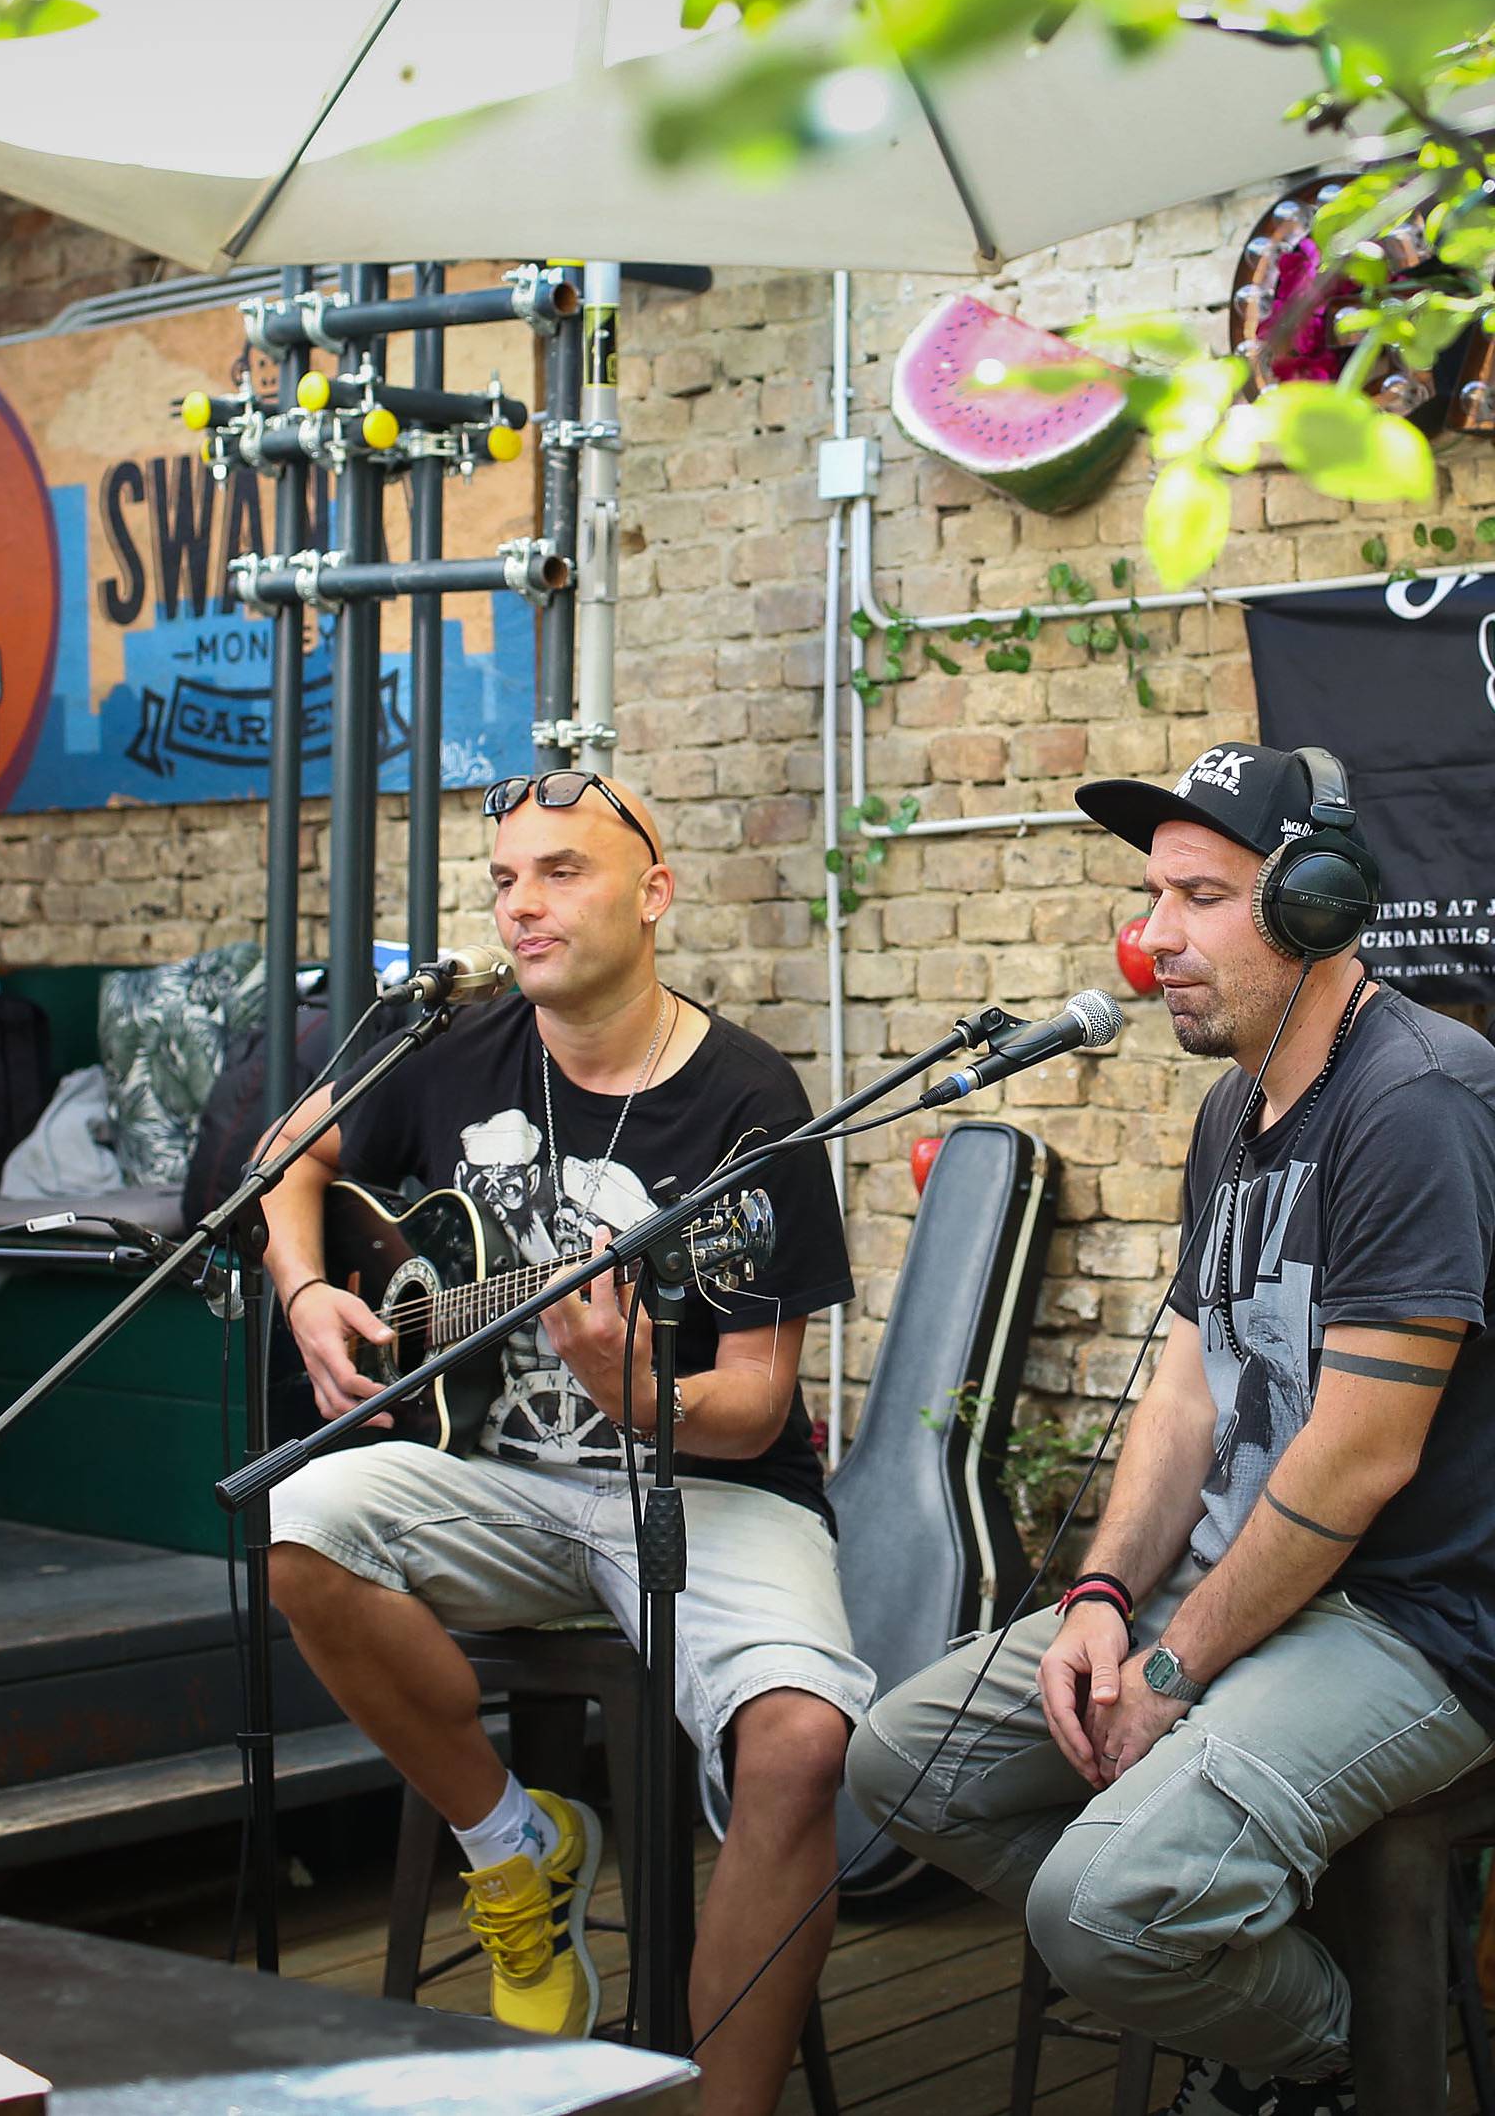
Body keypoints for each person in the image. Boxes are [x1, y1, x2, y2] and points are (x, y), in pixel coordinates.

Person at [843, 739, 1495, 2116]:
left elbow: (1362, 1453)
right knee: (908, 1759)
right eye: (1153, 896)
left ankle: (1348, 2048)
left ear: (1315, 903)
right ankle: (1279, 2001)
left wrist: (1174, 1664)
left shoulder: (1418, 1101)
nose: (1153, 939)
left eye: (1199, 896)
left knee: (1101, 1902)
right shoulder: (1230, 1112)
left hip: (1410, 1621)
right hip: (1237, 1589)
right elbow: (1190, 1389)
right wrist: (1100, 1592)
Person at [263, 771, 871, 2116]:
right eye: (504, 880)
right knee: (300, 1523)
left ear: (654, 895)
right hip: (497, 1479)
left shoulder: (747, 1100)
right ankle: (515, 1842)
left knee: (799, 1743)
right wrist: (310, 1288)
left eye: (562, 872)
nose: (523, 905)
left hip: (708, 1489)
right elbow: (286, 1159)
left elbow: (760, 1403)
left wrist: (637, 1385)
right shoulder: (451, 1046)